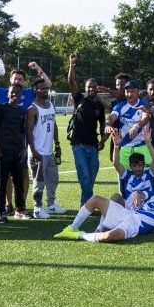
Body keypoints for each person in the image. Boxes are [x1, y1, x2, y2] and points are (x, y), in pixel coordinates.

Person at [54, 172, 154, 243]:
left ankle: (80, 235)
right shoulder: (153, 195)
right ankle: (71, 228)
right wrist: (138, 195)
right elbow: (141, 193)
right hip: (128, 214)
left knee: (110, 236)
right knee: (95, 199)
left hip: (135, 226)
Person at [67, 54, 108, 205]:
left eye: (93, 86)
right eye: (88, 87)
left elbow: (103, 125)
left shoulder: (100, 106)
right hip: (79, 145)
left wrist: (104, 139)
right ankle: (87, 205)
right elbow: (71, 81)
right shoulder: (80, 99)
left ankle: (86, 202)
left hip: (93, 146)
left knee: (90, 178)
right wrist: (72, 64)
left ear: (97, 88)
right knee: (84, 176)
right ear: (85, 88)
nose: (91, 89)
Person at [0, 83, 30, 223]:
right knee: (1, 184)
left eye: (18, 92)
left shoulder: (21, 111)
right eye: (12, 92)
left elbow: (22, 132)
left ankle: (20, 209)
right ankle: (0, 212)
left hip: (17, 152)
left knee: (19, 182)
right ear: (8, 94)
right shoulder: (1, 108)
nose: (15, 94)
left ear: (21, 95)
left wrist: (24, 148)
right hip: (2, 151)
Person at [27, 78, 65, 219]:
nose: (44, 90)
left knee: (53, 180)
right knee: (39, 182)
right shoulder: (32, 108)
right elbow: (29, 131)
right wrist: (33, 151)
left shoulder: (50, 104)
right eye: (41, 88)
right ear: (35, 90)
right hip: (38, 152)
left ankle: (51, 205)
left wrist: (57, 144)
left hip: (49, 151)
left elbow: (53, 125)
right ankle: (37, 208)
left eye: (46, 88)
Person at [108, 79, 153, 172]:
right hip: (125, 149)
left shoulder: (144, 105)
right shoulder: (120, 106)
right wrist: (107, 124)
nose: (129, 94)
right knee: (124, 180)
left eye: (132, 91)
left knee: (146, 179)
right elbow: (112, 117)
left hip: (142, 147)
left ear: (138, 92)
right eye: (127, 91)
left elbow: (146, 117)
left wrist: (137, 125)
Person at [111, 129, 154, 210]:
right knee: (115, 197)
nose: (137, 168)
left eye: (140, 165)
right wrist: (116, 146)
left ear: (144, 165)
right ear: (130, 166)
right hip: (129, 209)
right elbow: (116, 164)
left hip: (146, 209)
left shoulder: (149, 174)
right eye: (134, 166)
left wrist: (148, 142)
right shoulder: (127, 175)